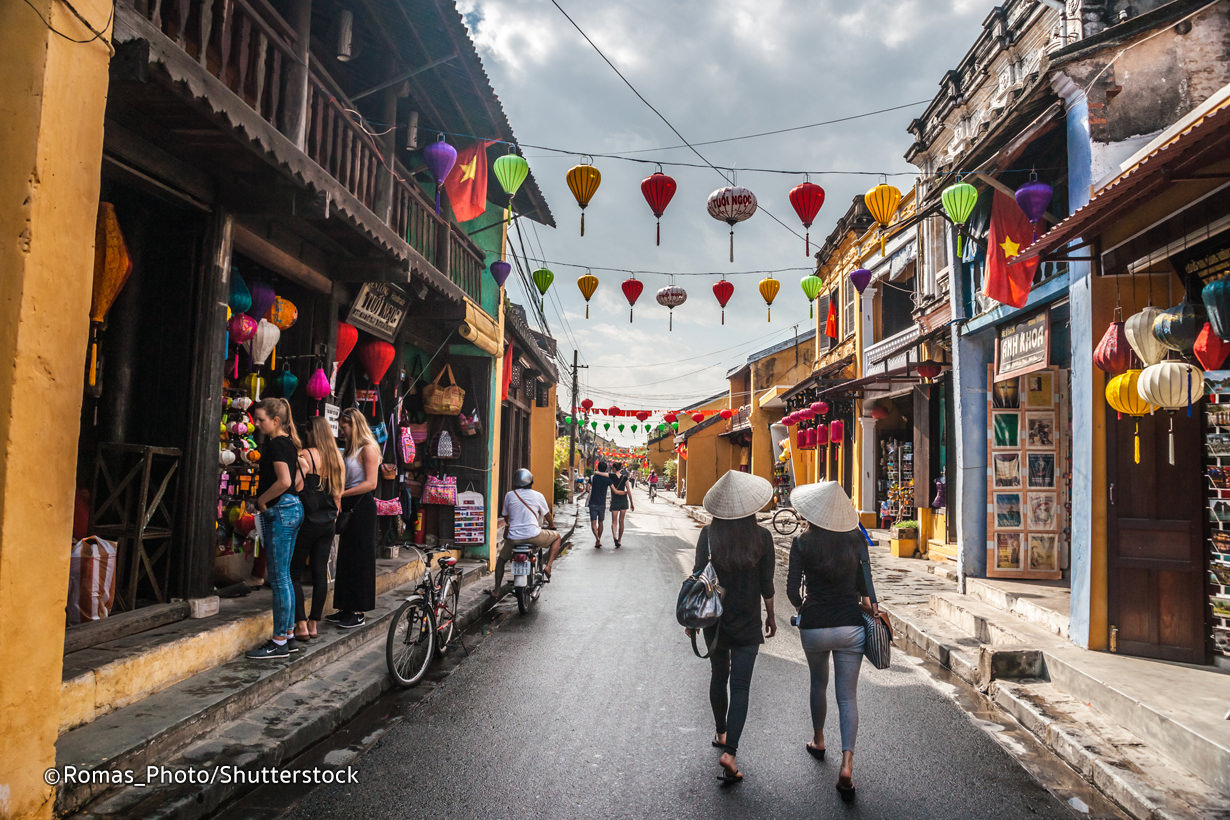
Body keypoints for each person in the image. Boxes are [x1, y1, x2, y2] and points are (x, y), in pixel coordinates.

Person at [786, 481, 880, 803]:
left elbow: (791, 592)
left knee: (818, 683)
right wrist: (868, 604)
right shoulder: (857, 541)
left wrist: (804, 608)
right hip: (850, 627)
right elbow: (867, 587)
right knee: (848, 697)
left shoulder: (802, 542)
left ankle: (818, 740)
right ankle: (847, 765)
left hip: (814, 627)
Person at [686, 470, 776, 785]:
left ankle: (721, 733)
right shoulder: (762, 537)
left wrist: (693, 622)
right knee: (740, 687)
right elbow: (767, 584)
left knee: (718, 676)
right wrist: (771, 615)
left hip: (714, 621)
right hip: (748, 621)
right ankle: (731, 753)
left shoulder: (709, 535)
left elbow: (699, 576)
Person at [244, 398, 305, 660]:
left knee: (279, 578)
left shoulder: (278, 444)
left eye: (261, 420)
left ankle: (279, 640)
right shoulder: (287, 443)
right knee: (285, 577)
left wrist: (262, 500)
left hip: (281, 509)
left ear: (276, 421)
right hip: (291, 508)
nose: (257, 424)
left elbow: (285, 481)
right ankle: (288, 636)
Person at [291, 416, 344, 642]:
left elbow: (296, 487)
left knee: (292, 572)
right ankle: (314, 624)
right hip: (327, 523)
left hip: (307, 522)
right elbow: (338, 498)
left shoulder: (304, 456)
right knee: (319, 572)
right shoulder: (336, 459)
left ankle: (300, 624)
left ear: (312, 432)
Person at [328, 408, 379, 629]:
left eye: (345, 426)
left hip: (361, 506)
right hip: (348, 503)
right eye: (340, 427)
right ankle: (345, 607)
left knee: (360, 558)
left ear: (355, 425)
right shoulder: (350, 449)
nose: (342, 431)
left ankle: (358, 610)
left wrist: (342, 494)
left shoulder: (368, 449)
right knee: (346, 557)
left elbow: (371, 483)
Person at [493, 468, 562, 596]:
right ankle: (548, 567)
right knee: (557, 537)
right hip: (533, 535)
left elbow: (506, 518)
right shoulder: (538, 495)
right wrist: (552, 525)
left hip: (514, 538)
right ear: (531, 482)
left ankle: (497, 589)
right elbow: (547, 515)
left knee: (501, 560)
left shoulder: (509, 495)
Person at [588, 461, 613, 548]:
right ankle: (598, 540)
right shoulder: (607, 479)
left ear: (598, 468)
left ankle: (597, 538)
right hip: (602, 504)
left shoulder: (592, 477)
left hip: (592, 503)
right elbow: (613, 489)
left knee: (593, 523)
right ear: (606, 469)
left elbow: (587, 489)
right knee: (601, 522)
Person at [608, 463, 634, 548]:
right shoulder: (625, 477)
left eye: (613, 468)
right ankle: (619, 540)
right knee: (621, 521)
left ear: (615, 468)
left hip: (615, 500)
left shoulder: (611, 476)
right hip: (623, 500)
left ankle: (614, 536)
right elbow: (628, 491)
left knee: (614, 521)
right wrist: (632, 503)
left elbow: (601, 473)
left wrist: (597, 473)